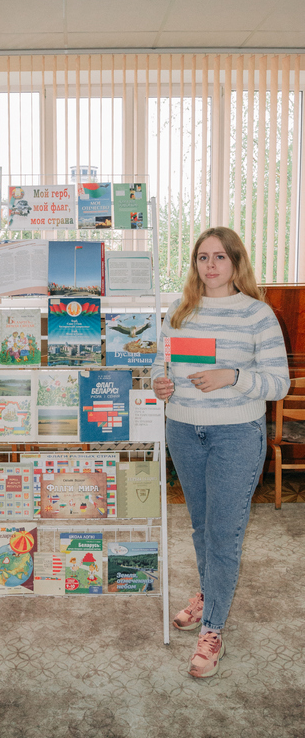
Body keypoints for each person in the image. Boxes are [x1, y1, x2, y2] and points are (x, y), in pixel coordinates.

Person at [151, 227, 289, 679]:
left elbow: (278, 383)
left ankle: (213, 628)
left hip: (236, 435)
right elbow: (158, 365)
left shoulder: (258, 314)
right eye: (202, 257)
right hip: (183, 430)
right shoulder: (180, 310)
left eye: (220, 257)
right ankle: (210, 594)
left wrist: (233, 376)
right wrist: (159, 384)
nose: (210, 265)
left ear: (236, 262)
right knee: (201, 527)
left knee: (223, 535)